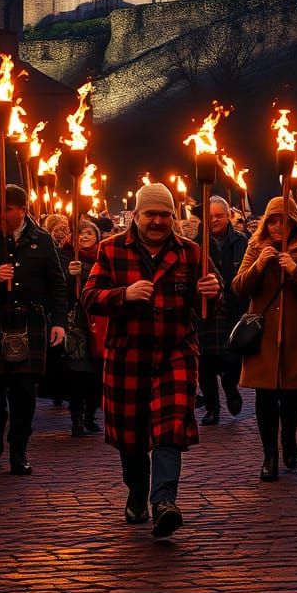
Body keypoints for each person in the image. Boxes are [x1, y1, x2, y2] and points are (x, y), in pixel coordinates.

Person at [81, 183, 221, 538]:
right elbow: (89, 297)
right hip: (128, 355)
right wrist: (122, 294)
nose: (157, 221)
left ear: (173, 217)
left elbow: (209, 306)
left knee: (170, 430)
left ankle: (164, 503)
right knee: (131, 437)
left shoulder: (192, 253)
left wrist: (212, 293)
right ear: (137, 215)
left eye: (165, 214)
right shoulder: (111, 250)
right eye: (150, 214)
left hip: (176, 353)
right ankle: (137, 492)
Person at [0, 184, 67, 476]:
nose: (0, 213)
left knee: (24, 393)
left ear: (23, 210)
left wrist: (58, 320)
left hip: (29, 323)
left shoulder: (42, 241)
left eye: (7, 208)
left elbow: (57, 285)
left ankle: (18, 448)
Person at [232, 195, 297, 482]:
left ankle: (289, 437)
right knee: (265, 396)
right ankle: (269, 454)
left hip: (296, 332)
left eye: (282, 221)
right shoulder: (254, 247)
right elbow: (238, 286)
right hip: (264, 334)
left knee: (292, 395)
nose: (277, 227)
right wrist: (259, 265)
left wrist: (295, 270)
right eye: (272, 221)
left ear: (294, 223)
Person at [197, 196, 248, 425]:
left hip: (233, 307)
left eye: (219, 215)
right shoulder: (195, 242)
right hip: (204, 308)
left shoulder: (240, 242)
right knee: (205, 362)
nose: (214, 220)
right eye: (210, 216)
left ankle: (230, 387)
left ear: (228, 216)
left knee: (232, 359)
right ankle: (211, 407)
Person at [63, 218, 105, 437]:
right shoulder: (67, 257)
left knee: (97, 373)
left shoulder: (103, 258)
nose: (85, 237)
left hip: (99, 322)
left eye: (89, 233)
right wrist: (71, 276)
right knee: (78, 372)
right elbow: (61, 288)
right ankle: (77, 417)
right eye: (81, 233)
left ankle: (91, 413)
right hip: (77, 323)